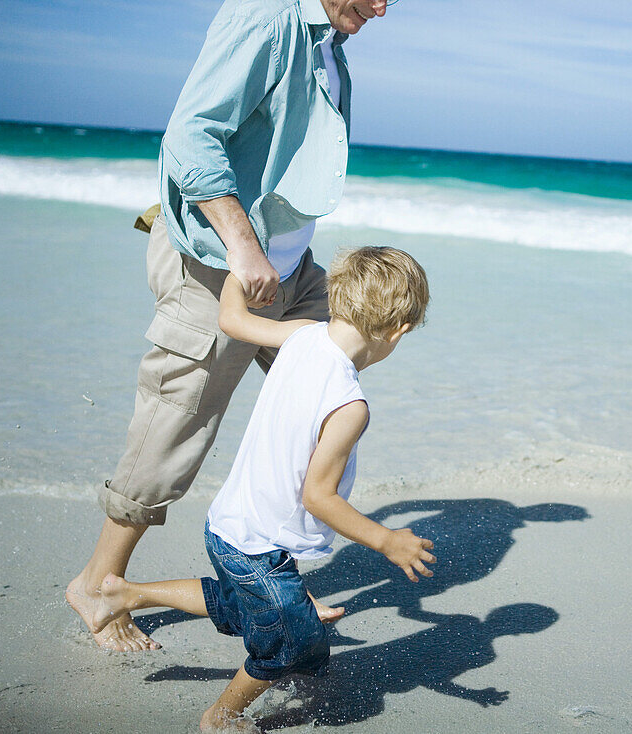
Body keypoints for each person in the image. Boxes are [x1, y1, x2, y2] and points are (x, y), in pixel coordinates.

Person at [67, 0, 391, 651]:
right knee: (178, 420)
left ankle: (273, 576)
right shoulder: (264, 15)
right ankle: (99, 584)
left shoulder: (329, 44)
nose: (384, 8)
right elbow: (189, 134)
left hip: (291, 269)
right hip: (223, 264)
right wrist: (243, 246)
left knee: (325, 404)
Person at [87, 245, 436, 732]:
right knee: (287, 642)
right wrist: (386, 540)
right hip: (256, 543)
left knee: (243, 606)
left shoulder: (301, 334)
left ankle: (125, 594)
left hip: (231, 522)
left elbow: (231, 319)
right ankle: (221, 715)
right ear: (398, 330)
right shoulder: (350, 405)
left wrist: (238, 273)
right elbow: (319, 497)